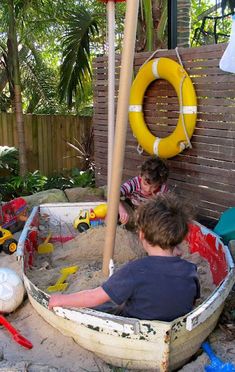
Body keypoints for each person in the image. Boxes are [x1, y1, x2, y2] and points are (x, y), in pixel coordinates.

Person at [48, 193, 200, 321]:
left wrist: (61, 299)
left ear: (141, 235)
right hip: (175, 323)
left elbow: (94, 296)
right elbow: (192, 300)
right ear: (178, 237)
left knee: (106, 305)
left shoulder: (135, 270)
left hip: (137, 326)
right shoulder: (190, 270)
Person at [119, 156, 169, 227]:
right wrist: (121, 210)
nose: (148, 189)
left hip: (148, 213)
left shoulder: (163, 190)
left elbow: (165, 209)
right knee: (115, 208)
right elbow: (114, 194)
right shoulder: (134, 183)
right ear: (140, 176)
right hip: (131, 208)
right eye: (145, 184)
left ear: (160, 184)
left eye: (154, 187)